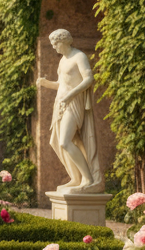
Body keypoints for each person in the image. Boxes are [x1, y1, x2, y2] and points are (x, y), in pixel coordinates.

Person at [36, 28, 103, 192]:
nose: (54, 47)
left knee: (65, 141)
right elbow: (61, 84)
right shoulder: (63, 60)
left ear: (64, 41)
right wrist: (46, 84)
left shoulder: (79, 56)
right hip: (60, 103)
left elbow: (89, 79)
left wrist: (71, 95)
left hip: (74, 103)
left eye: (55, 43)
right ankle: (76, 178)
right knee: (59, 142)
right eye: (52, 44)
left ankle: (88, 178)